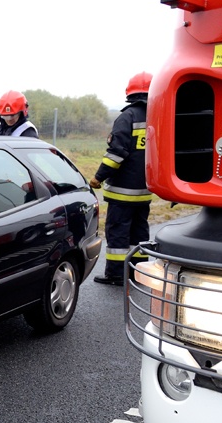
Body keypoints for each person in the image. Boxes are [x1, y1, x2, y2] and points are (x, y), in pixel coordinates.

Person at [89, 72, 153, 285]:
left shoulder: (127, 117)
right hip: (146, 190)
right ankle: (138, 273)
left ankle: (116, 275)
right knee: (139, 231)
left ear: (130, 93)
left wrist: (98, 177)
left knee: (118, 233)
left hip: (123, 192)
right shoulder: (159, 115)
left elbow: (116, 154)